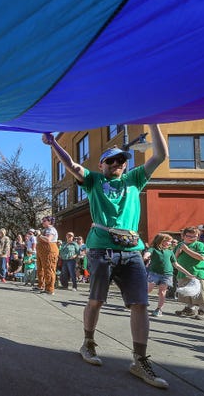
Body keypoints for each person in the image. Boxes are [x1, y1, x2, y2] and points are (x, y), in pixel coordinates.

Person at [43, 123, 169, 389]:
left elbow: (159, 157)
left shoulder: (134, 179)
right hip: (101, 249)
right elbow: (73, 165)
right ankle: (88, 343)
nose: (117, 164)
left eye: (121, 160)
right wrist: (54, 144)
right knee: (96, 300)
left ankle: (139, 360)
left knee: (140, 304)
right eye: (110, 161)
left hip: (132, 250)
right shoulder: (94, 181)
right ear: (101, 165)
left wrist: (154, 121)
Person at [145, 233, 193, 317]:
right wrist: (145, 256)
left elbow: (176, 265)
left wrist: (188, 274)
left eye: (171, 242)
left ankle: (158, 309)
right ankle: (138, 303)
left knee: (162, 292)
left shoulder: (170, 252)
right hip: (154, 273)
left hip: (167, 275)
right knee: (149, 289)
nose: (170, 243)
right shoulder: (153, 249)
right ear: (162, 241)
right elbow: (148, 253)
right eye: (169, 241)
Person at [174, 226, 204, 320]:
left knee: (201, 293)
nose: (191, 238)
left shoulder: (199, 245)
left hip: (197, 272)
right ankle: (190, 309)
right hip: (183, 273)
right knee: (187, 293)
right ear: (183, 236)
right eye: (189, 236)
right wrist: (178, 251)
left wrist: (187, 250)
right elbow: (174, 259)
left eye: (194, 236)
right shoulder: (180, 245)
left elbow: (201, 257)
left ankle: (203, 311)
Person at [36, 216, 59, 295]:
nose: (42, 222)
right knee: (41, 269)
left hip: (49, 250)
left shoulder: (51, 229)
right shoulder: (45, 229)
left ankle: (50, 289)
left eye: (44, 221)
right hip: (42, 251)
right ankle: (41, 285)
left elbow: (48, 239)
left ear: (49, 222)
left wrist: (39, 235)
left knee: (49, 269)